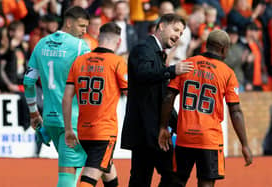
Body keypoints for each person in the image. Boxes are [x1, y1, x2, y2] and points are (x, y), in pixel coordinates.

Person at [158, 29, 253, 187]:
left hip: (184, 136)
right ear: (224, 49)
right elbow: (235, 111)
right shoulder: (227, 73)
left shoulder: (186, 64)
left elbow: (168, 97)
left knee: (177, 181)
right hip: (209, 140)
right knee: (206, 183)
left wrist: (163, 127)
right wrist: (244, 144)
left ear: (206, 45)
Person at [121, 13, 194, 187]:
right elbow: (143, 74)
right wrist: (172, 70)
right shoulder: (143, 49)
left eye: (181, 33)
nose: (178, 36)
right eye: (176, 29)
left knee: (141, 178)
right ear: (161, 26)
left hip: (148, 130)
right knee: (172, 175)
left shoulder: (155, 53)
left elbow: (162, 96)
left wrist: (179, 125)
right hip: (149, 131)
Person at [23, 6, 90, 187]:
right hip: (72, 120)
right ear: (68, 23)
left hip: (49, 119)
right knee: (69, 175)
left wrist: (33, 113)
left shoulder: (41, 44)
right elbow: (89, 82)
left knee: (74, 170)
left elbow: (28, 82)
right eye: (81, 26)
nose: (84, 31)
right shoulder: (79, 46)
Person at [63, 22, 127, 187]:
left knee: (107, 168)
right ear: (118, 42)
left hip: (83, 131)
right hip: (104, 132)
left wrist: (69, 129)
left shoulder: (79, 61)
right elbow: (130, 93)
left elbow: (67, 97)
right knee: (88, 179)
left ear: (98, 38)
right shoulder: (117, 62)